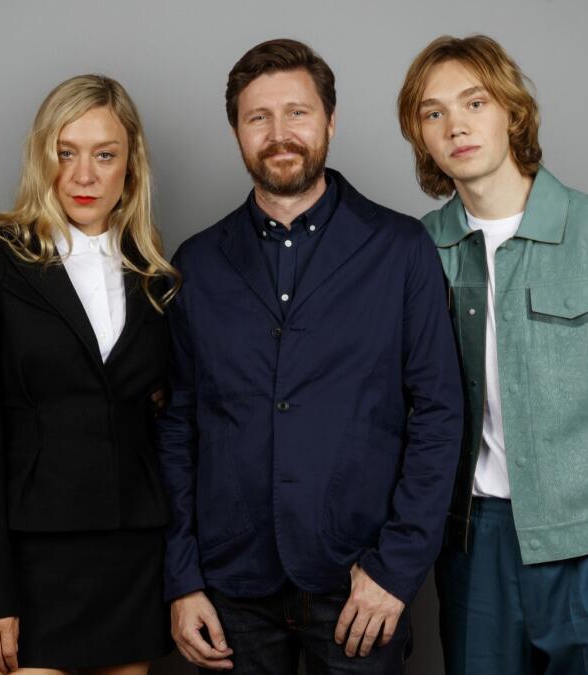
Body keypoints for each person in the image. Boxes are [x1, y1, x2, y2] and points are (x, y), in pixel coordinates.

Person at [157, 38, 463, 674]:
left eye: (297, 112)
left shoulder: (401, 249)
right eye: (257, 117)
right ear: (237, 130)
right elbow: (177, 430)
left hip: (361, 583)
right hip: (230, 588)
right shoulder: (197, 264)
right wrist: (183, 580)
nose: (279, 133)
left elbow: (438, 417)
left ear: (330, 119)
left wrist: (397, 570)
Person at [397, 34, 588, 675]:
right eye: (433, 112)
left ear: (511, 110)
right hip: (473, 550)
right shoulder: (415, 252)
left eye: (474, 103)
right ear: (420, 136)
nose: (456, 126)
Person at [0, 74, 178, 675]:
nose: (84, 175)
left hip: (130, 551)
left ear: (130, 166)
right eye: (67, 153)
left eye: (104, 155)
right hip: (27, 563)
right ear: (43, 159)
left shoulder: (158, 280)